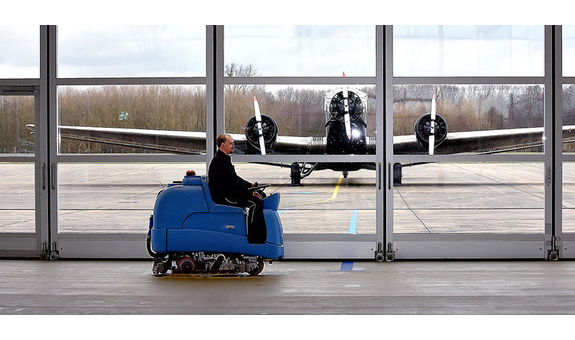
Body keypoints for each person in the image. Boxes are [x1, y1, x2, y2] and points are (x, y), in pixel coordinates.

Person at [208, 134, 267, 244]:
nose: (233, 146)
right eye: (230, 143)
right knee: (254, 203)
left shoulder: (224, 159)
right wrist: (249, 192)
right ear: (222, 145)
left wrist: (250, 186)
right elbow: (231, 183)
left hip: (228, 193)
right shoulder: (219, 161)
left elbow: (235, 178)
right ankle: (255, 238)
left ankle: (256, 236)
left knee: (256, 198)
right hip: (224, 197)